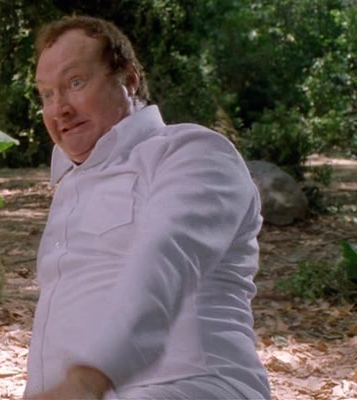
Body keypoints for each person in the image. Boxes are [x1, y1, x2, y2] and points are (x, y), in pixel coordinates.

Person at [23, 15, 271, 400]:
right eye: (46, 95)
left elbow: (165, 256)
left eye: (75, 83)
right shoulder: (70, 187)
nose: (60, 109)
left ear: (129, 79)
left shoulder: (192, 151)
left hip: (195, 385)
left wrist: (89, 379)